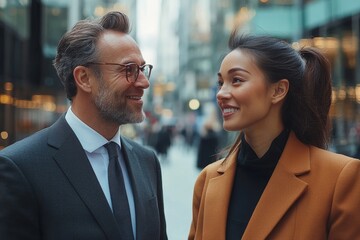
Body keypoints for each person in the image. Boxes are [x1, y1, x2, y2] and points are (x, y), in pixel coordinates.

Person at [0, 11, 167, 240]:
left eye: (142, 68)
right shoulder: (20, 167)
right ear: (84, 78)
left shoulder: (147, 161)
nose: (144, 82)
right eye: (129, 70)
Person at [188, 33, 360, 240]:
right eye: (220, 82)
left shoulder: (341, 178)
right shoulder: (208, 179)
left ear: (278, 90)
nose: (221, 93)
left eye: (236, 80)